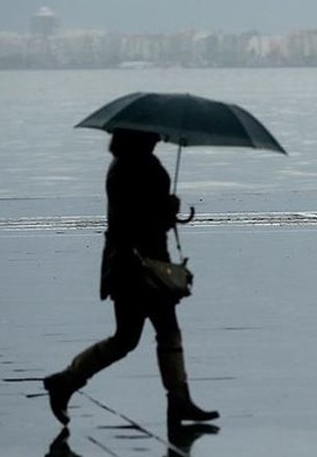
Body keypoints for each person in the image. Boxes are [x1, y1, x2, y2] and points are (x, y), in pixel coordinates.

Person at [43, 128, 218, 427]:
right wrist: (168, 208)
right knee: (156, 332)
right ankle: (177, 400)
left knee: (131, 336)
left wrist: (165, 209)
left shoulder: (124, 164)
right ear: (140, 137)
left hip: (127, 263)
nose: (160, 138)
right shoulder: (139, 166)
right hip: (140, 265)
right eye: (153, 134)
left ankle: (68, 380)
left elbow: (136, 215)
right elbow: (141, 218)